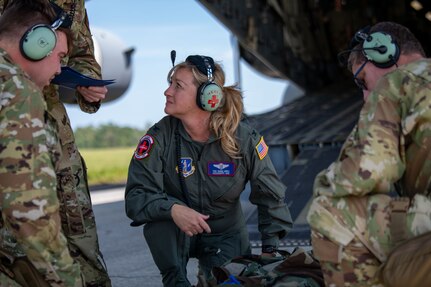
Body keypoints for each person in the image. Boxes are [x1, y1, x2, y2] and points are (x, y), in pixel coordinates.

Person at [125, 55, 293, 286]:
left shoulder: (243, 139)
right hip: (176, 231)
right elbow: (136, 197)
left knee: (229, 281)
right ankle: (175, 280)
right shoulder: (159, 137)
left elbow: (271, 196)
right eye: (170, 83)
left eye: (178, 85)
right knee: (161, 220)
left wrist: (270, 249)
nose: (167, 91)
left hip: (225, 233)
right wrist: (173, 209)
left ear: (208, 97)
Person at [306, 21, 431, 286]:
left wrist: (325, 184)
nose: (365, 96)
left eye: (362, 80)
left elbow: (367, 171)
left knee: (330, 213)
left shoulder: (397, 82)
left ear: (384, 53)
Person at [0, 1, 112, 286]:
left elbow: (83, 53)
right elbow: (29, 212)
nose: (62, 66)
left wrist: (89, 82)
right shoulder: (18, 94)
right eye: (60, 56)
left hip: (48, 120)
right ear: (38, 44)